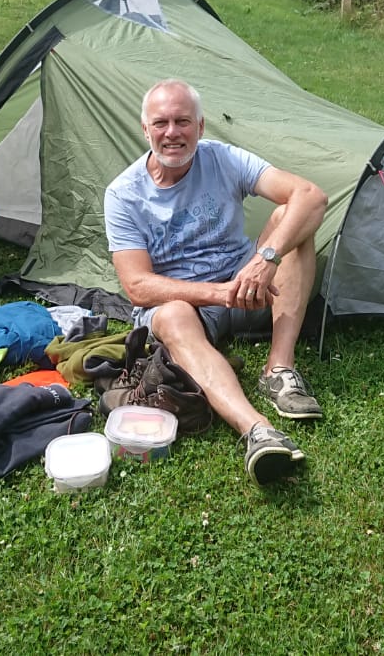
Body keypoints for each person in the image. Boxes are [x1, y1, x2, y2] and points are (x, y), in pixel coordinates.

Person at [104, 79, 329, 484]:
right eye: (161, 123)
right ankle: (257, 431)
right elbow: (137, 286)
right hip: (191, 306)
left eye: (183, 121)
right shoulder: (123, 194)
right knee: (171, 315)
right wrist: (217, 294)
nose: (172, 132)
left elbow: (310, 195)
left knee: (292, 225)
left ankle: (279, 368)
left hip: (248, 286)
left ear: (201, 127)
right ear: (145, 130)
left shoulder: (223, 159)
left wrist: (265, 260)